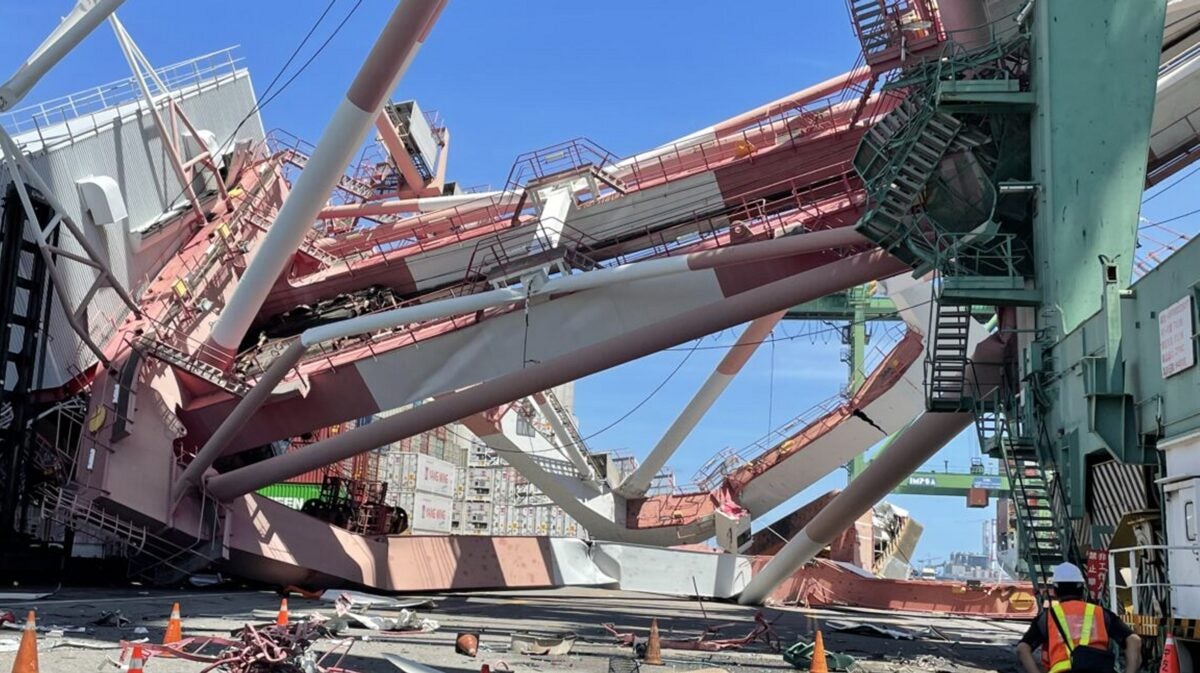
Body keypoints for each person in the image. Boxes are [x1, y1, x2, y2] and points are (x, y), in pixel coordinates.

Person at [1016, 562, 1142, 673]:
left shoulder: (1047, 617)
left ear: (1054, 591)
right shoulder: (1100, 613)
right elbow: (1134, 640)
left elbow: (1022, 649)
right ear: (1082, 589)